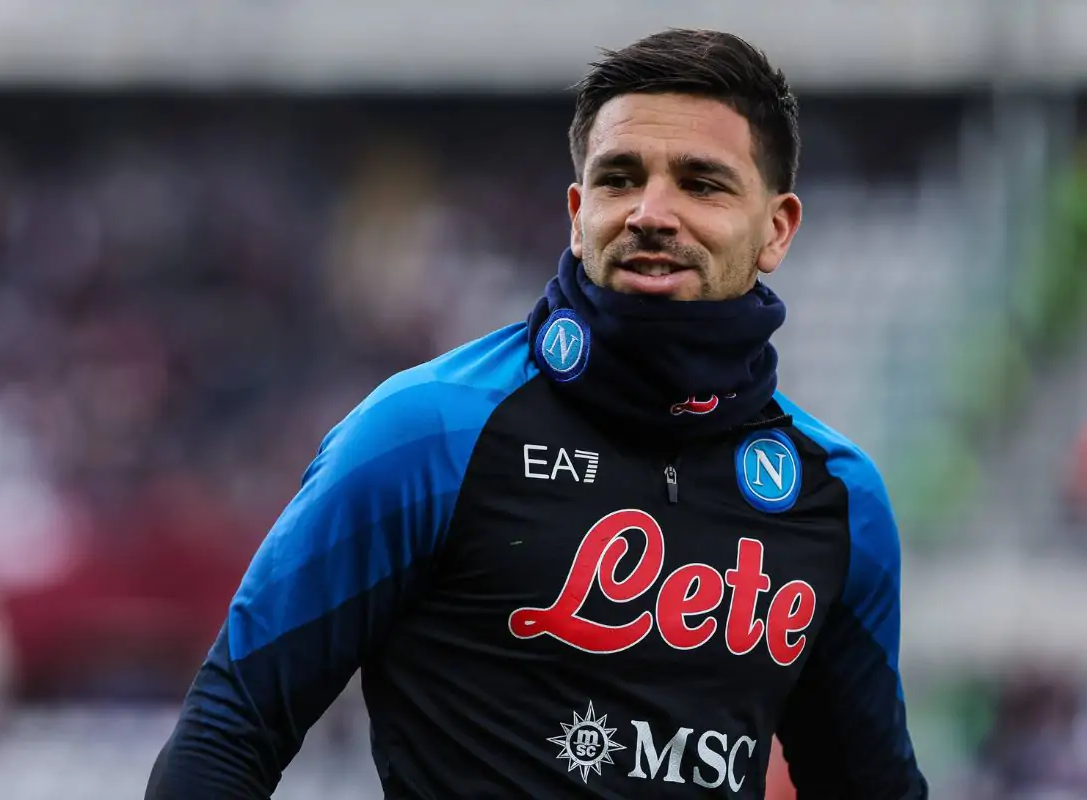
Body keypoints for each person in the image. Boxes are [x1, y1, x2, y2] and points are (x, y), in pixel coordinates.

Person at [146, 28, 928, 799]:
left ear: (776, 230)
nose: (651, 212)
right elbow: (227, 732)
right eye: (620, 178)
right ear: (577, 212)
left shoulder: (838, 499)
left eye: (702, 184)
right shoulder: (426, 433)